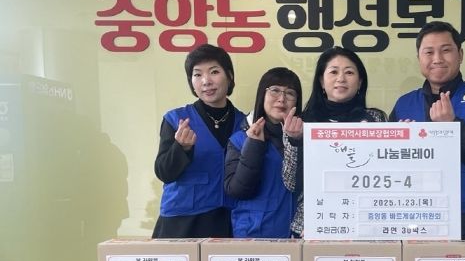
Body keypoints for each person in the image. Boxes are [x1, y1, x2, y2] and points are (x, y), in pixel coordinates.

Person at [390, 21, 465, 239]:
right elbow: (386, 163)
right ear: (419, 58)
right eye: (429, 52)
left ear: (460, 55)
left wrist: (452, 126)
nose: (437, 59)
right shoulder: (404, 103)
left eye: (446, 50)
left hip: (463, 216)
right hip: (410, 213)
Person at [282, 46, 387, 237]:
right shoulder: (301, 123)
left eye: (349, 72)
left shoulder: (375, 119)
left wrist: (406, 136)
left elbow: (387, 175)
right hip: (312, 224)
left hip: (364, 223)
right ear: (322, 81)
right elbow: (290, 183)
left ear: (360, 82)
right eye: (333, 72)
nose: (341, 78)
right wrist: (295, 141)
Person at [152, 44, 246, 238]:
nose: (206, 81)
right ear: (191, 82)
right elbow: (163, 172)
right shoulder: (176, 119)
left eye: (214, 72)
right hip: (182, 220)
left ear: (229, 76)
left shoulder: (246, 124)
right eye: (197, 74)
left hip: (230, 220)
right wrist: (181, 148)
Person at [223, 67, 302, 237]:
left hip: (297, 236)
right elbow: (237, 191)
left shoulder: (305, 139)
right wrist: (253, 145)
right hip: (254, 235)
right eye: (275, 90)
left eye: (290, 93)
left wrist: (296, 141)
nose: (281, 99)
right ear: (262, 95)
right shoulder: (240, 139)